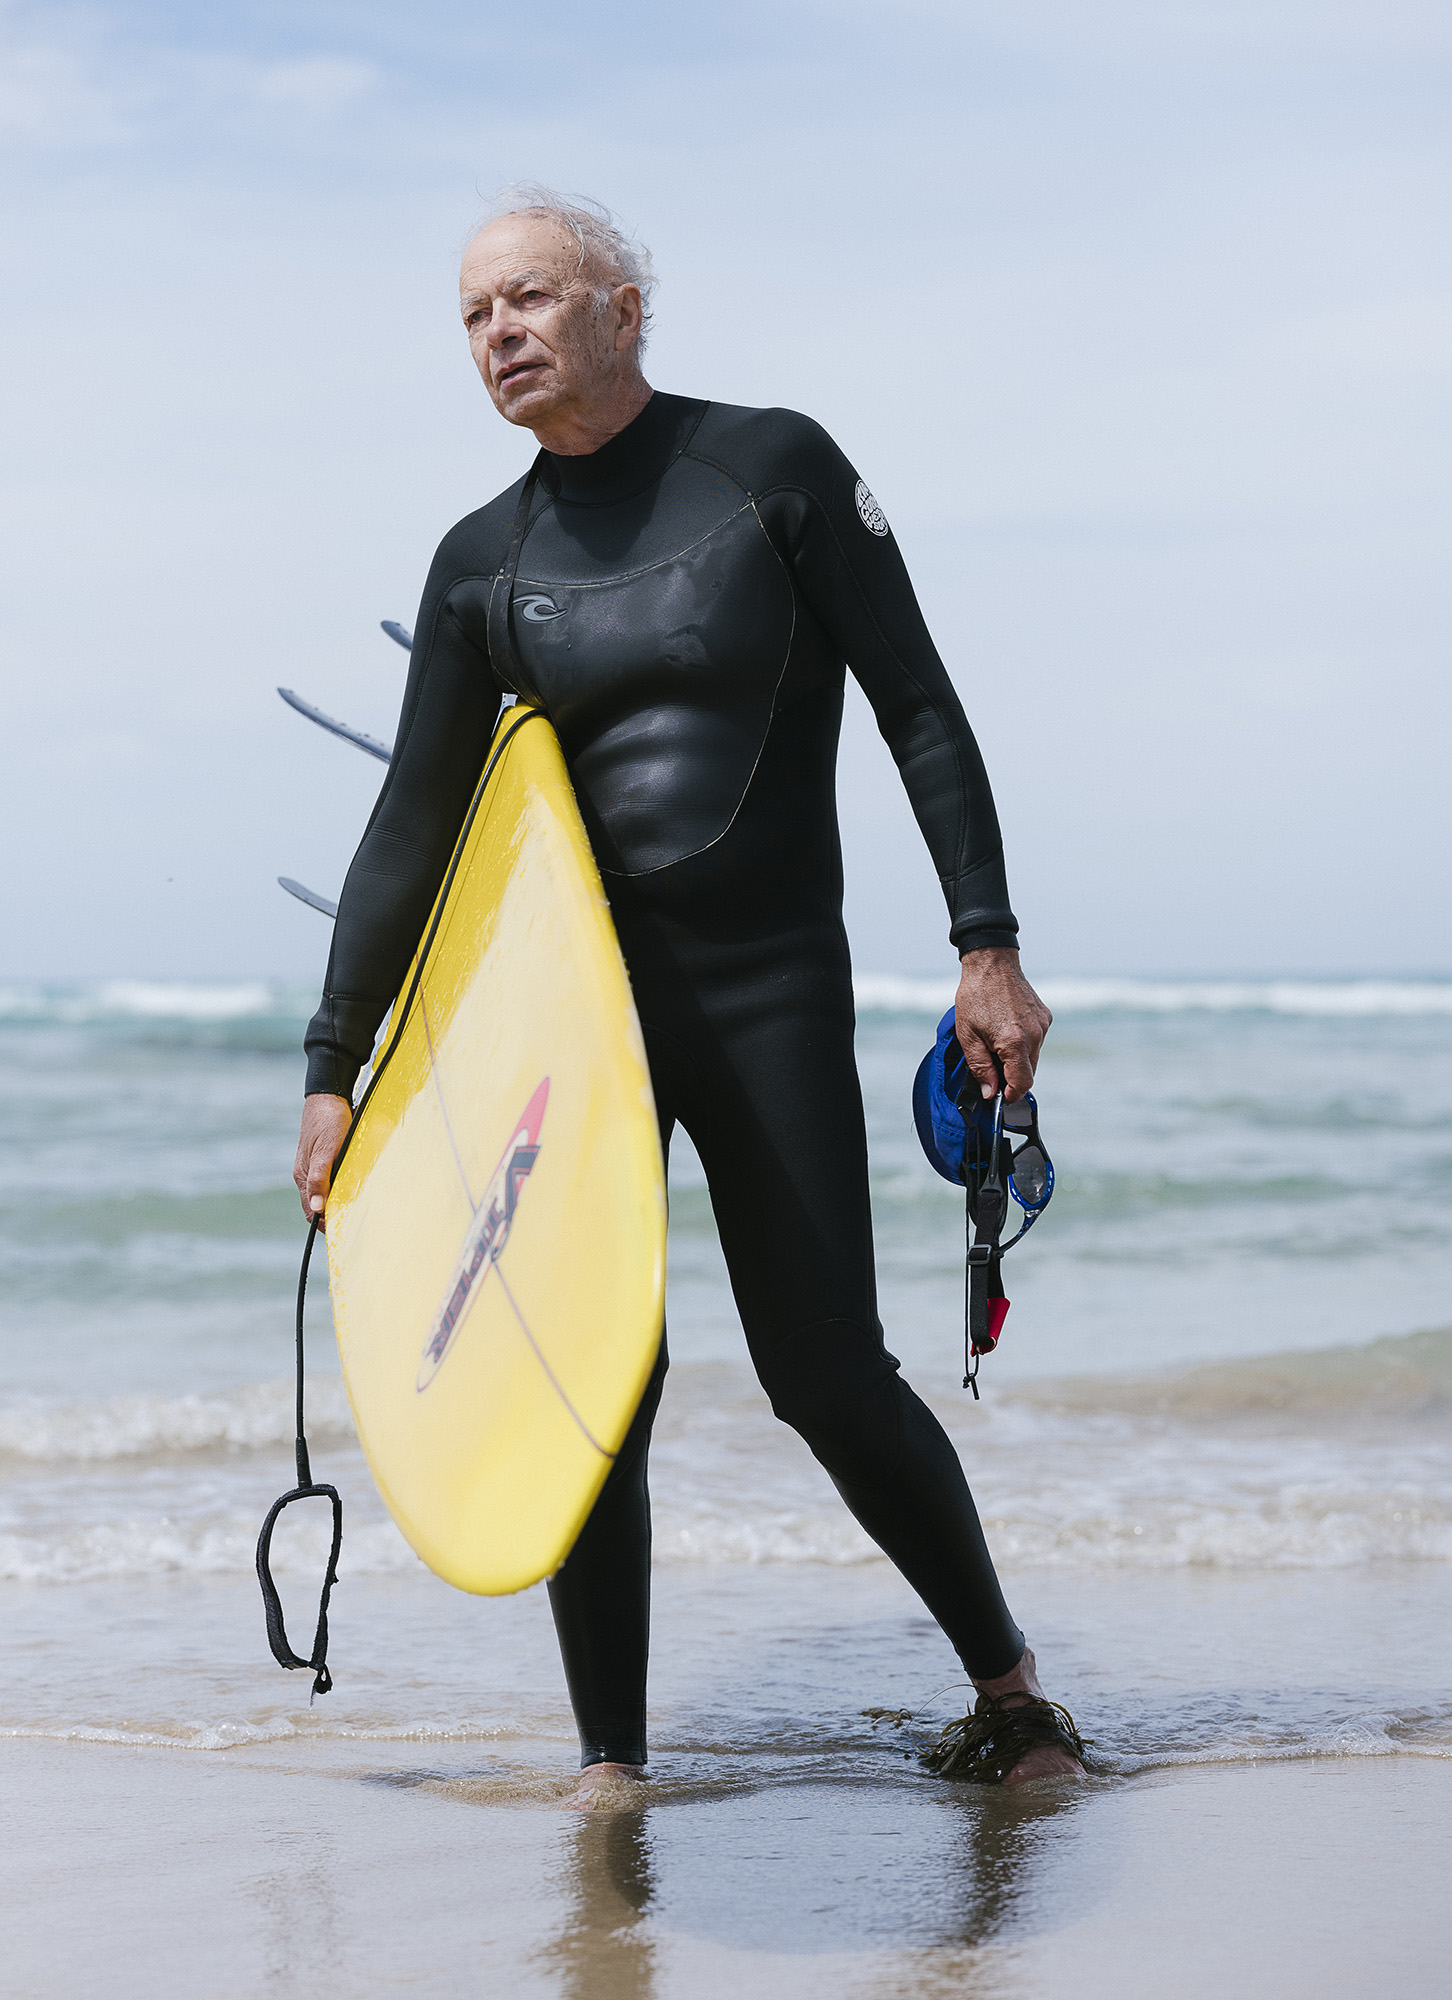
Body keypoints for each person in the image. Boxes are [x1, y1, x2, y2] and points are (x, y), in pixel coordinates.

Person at [293, 187, 1085, 1799]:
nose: (496, 332)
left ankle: (1010, 1694)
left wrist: (984, 943)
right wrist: (331, 1063)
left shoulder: (774, 469)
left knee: (823, 1368)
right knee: (588, 1376)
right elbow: (411, 829)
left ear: (621, 307)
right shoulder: (481, 565)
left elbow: (918, 708)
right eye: (470, 315)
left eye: (525, 297)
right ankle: (611, 1769)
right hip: (575, 1031)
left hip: (765, 982)